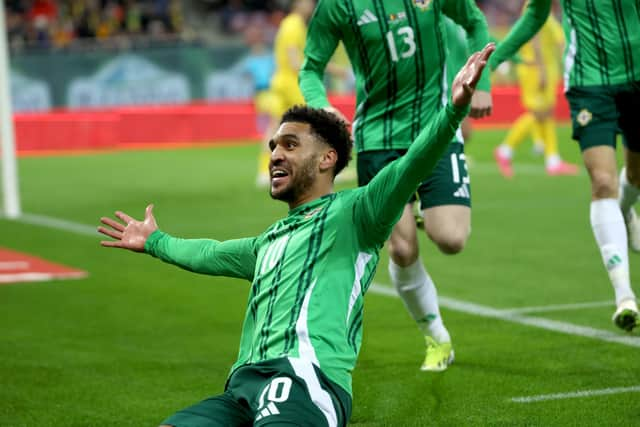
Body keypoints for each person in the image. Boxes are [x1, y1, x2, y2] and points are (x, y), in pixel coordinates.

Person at [97, 44, 495, 427]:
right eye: (273, 146)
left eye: (290, 144)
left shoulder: (357, 214)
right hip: (241, 388)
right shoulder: (268, 242)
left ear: (327, 159)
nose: (275, 155)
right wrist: (155, 241)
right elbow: (210, 252)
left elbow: (410, 165)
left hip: (306, 378)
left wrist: (454, 109)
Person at [299, 0, 493, 371]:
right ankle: (436, 336)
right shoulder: (338, 7)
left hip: (436, 129)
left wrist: (480, 82)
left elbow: (474, 21)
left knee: (452, 239)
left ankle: (420, 205)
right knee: (402, 250)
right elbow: (310, 68)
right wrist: (322, 106)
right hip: (377, 140)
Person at [489, 0, 640, 331]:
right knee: (602, 180)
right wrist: (493, 61)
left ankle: (625, 209)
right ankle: (624, 294)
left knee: (636, 176)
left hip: (637, 76)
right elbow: (535, 14)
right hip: (590, 81)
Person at [494, 12, 578, 178]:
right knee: (538, 113)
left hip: (545, 68)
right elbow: (535, 39)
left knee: (547, 113)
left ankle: (552, 159)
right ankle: (506, 149)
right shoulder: (534, 8)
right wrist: (541, 69)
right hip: (535, 69)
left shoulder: (545, 9)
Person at [256, 0, 316, 187]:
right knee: (311, 124)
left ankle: (263, 170)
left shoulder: (290, 23)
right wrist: (316, 71)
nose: (312, 4)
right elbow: (294, 60)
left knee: (275, 126)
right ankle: (314, 169)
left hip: (281, 81)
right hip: (292, 83)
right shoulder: (294, 25)